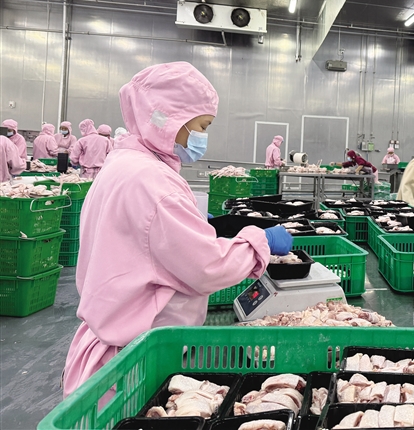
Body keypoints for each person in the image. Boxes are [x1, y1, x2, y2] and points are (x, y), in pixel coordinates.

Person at [63, 61, 293, 397]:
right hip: (133, 362)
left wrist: (189, 222)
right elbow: (207, 267)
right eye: (202, 125)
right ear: (170, 118)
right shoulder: (153, 182)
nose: (203, 136)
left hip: (123, 343)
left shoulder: (125, 163)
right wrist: (261, 240)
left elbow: (140, 238)